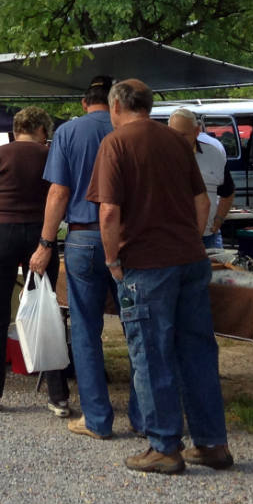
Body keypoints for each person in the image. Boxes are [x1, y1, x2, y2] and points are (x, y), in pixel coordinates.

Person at [86, 78, 231, 476]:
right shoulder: (175, 141)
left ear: (116, 106)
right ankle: (212, 443)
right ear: (148, 106)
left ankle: (164, 446)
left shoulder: (115, 143)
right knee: (198, 352)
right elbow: (202, 200)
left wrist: (114, 260)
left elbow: (110, 212)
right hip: (190, 259)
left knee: (151, 355)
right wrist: (194, 240)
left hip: (146, 265)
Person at [34, 75, 127, 441]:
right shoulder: (132, 129)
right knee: (136, 328)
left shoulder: (70, 132)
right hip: (128, 237)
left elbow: (58, 193)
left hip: (83, 237)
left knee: (87, 332)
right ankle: (143, 416)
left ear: (85, 103)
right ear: (114, 102)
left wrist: (45, 242)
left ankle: (97, 419)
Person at [0, 106, 72, 416]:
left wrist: (0, 213)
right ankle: (58, 397)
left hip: (1, 233)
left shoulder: (0, 154)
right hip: (41, 234)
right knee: (47, 309)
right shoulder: (51, 155)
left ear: (16, 130)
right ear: (42, 131)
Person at [166, 108, 235, 250]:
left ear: (196, 131)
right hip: (172, 238)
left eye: (183, 135)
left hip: (208, 236)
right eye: (174, 134)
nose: (178, 140)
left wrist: (219, 219)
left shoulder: (213, 154)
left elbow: (227, 192)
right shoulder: (160, 156)